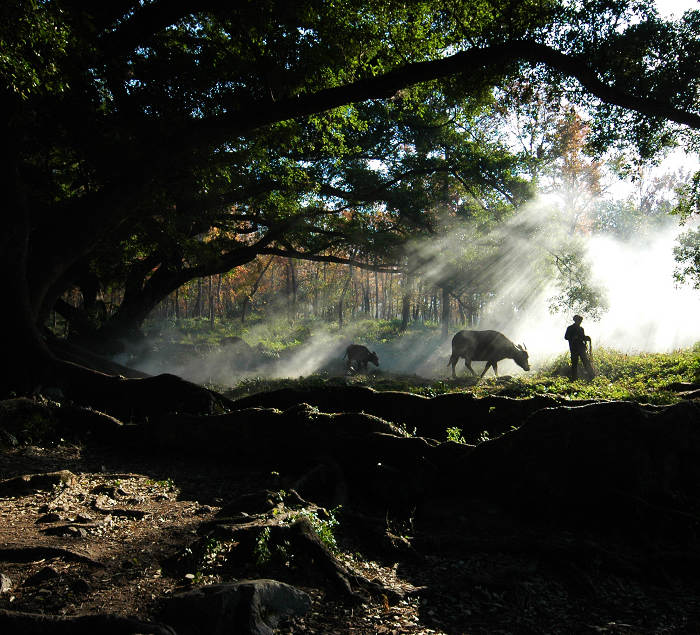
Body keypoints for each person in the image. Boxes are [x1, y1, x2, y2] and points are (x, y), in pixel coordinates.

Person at [564, 314, 594, 380]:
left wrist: (587, 338)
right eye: (579, 320)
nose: (580, 321)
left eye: (580, 320)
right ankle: (574, 378)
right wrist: (573, 337)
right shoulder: (570, 328)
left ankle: (591, 376)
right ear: (575, 320)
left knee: (586, 362)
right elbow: (566, 337)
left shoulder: (581, 329)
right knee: (574, 363)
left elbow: (582, 337)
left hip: (581, 348)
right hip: (574, 348)